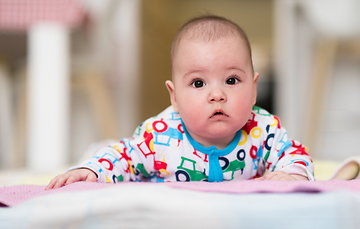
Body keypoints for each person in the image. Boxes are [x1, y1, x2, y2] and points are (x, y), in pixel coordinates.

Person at [46, 15, 314, 190]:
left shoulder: (263, 130)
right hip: (136, 158)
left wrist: (292, 174)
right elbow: (123, 158)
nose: (217, 94)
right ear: (174, 97)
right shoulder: (158, 137)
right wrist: (90, 170)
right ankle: (93, 152)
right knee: (111, 151)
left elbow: (295, 154)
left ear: (254, 89)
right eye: (198, 83)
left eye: (232, 80)